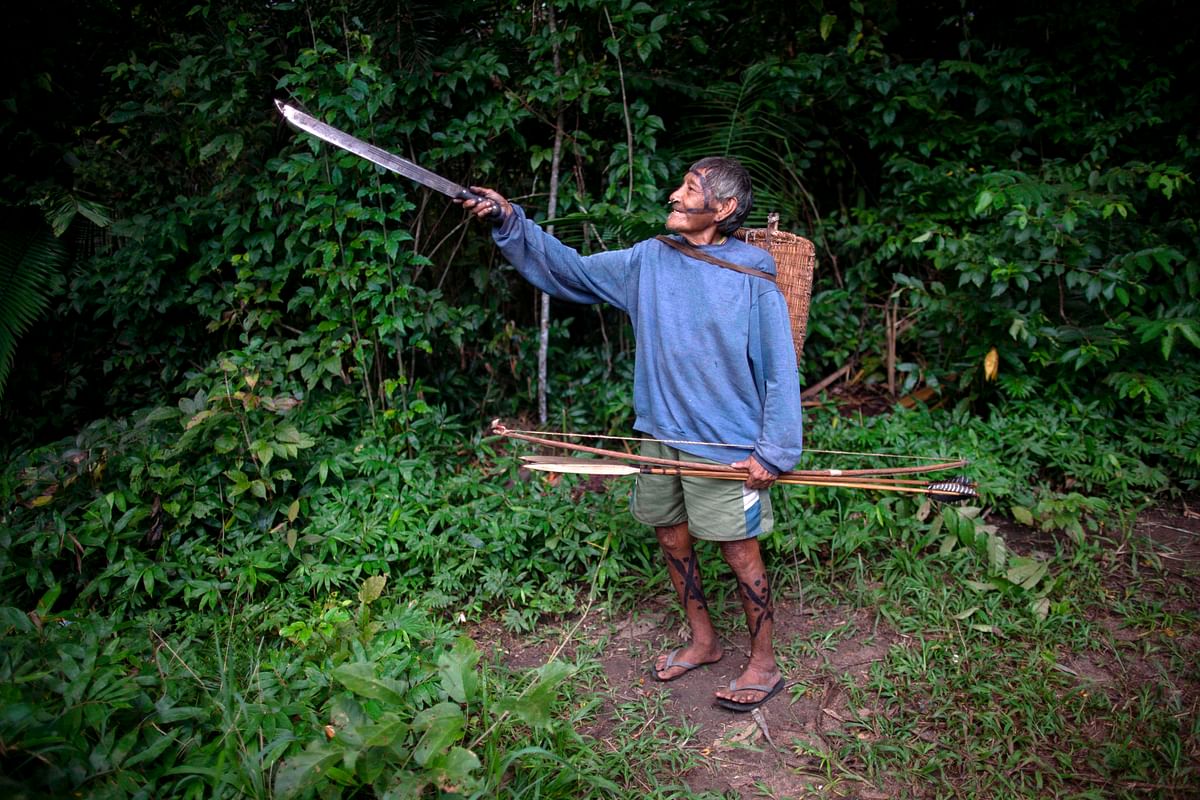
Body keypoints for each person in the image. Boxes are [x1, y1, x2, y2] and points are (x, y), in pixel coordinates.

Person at [461, 157, 803, 712]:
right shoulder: (650, 260)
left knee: (739, 552)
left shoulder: (754, 274)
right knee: (670, 535)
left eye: (689, 189)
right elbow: (570, 271)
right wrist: (509, 223)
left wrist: (776, 450)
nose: (674, 195)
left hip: (724, 444)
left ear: (724, 209)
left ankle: (763, 662)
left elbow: (778, 369)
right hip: (659, 432)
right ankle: (704, 640)